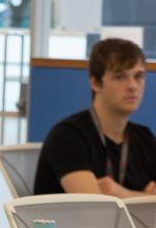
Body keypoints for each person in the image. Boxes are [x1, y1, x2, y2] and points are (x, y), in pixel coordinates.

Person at [33, 37, 156, 197]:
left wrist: (122, 193)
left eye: (138, 76)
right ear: (95, 83)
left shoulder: (144, 138)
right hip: (71, 222)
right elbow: (95, 210)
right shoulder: (67, 135)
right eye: (120, 77)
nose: (133, 86)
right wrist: (147, 199)